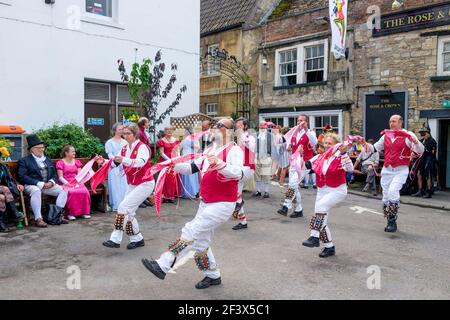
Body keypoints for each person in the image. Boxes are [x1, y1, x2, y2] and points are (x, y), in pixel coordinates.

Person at [141, 118, 244, 289]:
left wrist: (219, 164)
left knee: (191, 230)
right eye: (215, 125)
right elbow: (192, 168)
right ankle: (212, 275)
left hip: (222, 203)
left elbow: (237, 173)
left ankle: (163, 264)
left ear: (231, 131)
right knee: (201, 242)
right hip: (206, 202)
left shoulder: (234, 150)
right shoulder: (211, 148)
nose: (215, 127)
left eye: (220, 126)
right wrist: (174, 165)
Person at [102, 123, 155, 250]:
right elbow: (115, 162)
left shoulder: (143, 147)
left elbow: (140, 163)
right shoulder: (125, 148)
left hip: (145, 183)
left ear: (135, 134)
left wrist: (123, 160)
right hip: (132, 183)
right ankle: (137, 238)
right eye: (124, 133)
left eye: (128, 133)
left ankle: (115, 239)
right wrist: (102, 161)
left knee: (123, 207)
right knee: (129, 212)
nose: (125, 136)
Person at [301, 133, 353, 258]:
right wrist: (300, 154)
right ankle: (329, 247)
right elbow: (306, 165)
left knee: (321, 209)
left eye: (330, 143)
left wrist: (344, 154)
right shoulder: (320, 157)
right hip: (322, 189)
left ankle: (314, 236)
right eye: (326, 143)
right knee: (321, 217)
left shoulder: (340, 156)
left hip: (337, 190)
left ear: (336, 145)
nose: (327, 145)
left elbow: (350, 168)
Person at [374, 115, 424, 233]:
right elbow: (374, 148)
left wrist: (416, 142)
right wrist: (363, 145)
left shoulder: (408, 135)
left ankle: (392, 221)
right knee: (385, 196)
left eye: (394, 121)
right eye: (390, 121)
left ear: (400, 123)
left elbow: (420, 150)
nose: (391, 123)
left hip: (400, 169)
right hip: (387, 169)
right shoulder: (386, 135)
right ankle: (389, 220)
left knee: (393, 191)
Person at [18, 134, 68, 227]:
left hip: (47, 185)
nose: (41, 149)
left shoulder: (47, 159)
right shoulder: (24, 160)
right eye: (38, 148)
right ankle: (38, 218)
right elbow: (22, 176)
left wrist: (52, 182)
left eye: (42, 147)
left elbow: (54, 174)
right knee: (36, 191)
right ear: (32, 149)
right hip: (31, 185)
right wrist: (38, 183)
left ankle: (57, 215)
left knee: (64, 190)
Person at [278, 115, 317, 218]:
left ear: (306, 122)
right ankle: (299, 209)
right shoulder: (294, 133)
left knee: (293, 183)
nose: (299, 122)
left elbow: (314, 143)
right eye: (298, 120)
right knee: (293, 186)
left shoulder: (310, 132)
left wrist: (306, 129)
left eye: (301, 120)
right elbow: (288, 146)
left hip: (304, 164)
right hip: (294, 163)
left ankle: (286, 206)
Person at [232, 117, 256, 230]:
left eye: (239, 125)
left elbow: (251, 148)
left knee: (235, 188)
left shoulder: (250, 137)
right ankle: (243, 220)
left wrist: (242, 137)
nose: (237, 127)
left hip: (247, 168)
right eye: (237, 125)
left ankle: (238, 204)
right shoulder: (238, 138)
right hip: (241, 167)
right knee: (237, 193)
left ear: (245, 126)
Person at [56, 145, 91, 220]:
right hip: (65, 182)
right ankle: (70, 213)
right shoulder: (60, 162)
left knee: (84, 191)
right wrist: (68, 184)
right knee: (71, 192)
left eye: (74, 151)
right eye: (72, 151)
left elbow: (80, 175)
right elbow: (60, 177)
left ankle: (84, 212)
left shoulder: (77, 162)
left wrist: (78, 182)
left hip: (76, 181)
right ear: (66, 153)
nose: (74, 153)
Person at [105, 123, 128, 212]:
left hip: (123, 165)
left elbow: (127, 154)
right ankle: (115, 205)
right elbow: (110, 154)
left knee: (123, 185)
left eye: (122, 129)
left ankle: (124, 204)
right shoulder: (109, 142)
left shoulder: (125, 142)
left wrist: (123, 161)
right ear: (115, 130)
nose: (121, 131)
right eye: (119, 129)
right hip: (113, 166)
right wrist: (116, 160)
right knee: (114, 186)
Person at [157, 127, 182, 203]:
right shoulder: (161, 141)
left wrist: (178, 158)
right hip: (165, 161)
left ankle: (173, 195)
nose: (169, 131)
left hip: (174, 161)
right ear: (164, 132)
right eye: (167, 130)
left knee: (174, 177)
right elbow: (161, 153)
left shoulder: (176, 140)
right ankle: (166, 196)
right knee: (167, 178)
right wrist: (169, 160)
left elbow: (177, 150)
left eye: (171, 130)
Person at [412, 125, 437, 198]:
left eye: (423, 133)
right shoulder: (422, 140)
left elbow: (432, 153)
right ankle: (420, 190)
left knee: (428, 176)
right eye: (421, 134)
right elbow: (416, 146)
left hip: (429, 160)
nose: (422, 135)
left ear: (428, 133)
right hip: (422, 160)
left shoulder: (432, 141)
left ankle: (429, 192)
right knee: (419, 174)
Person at [0, 163, 25, 232]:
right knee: (5, 189)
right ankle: (14, 212)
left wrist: (18, 184)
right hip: (3, 189)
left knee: (2, 197)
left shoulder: (3, 167)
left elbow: (10, 179)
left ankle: (1, 223)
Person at [180, 126, 200, 199]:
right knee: (188, 173)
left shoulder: (192, 138)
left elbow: (197, 147)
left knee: (190, 173)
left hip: (189, 156)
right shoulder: (187, 138)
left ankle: (190, 191)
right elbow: (181, 147)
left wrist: (192, 145)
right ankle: (188, 191)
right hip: (187, 156)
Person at [254, 122, 272, 198]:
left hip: (267, 157)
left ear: (266, 126)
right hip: (257, 156)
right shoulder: (255, 135)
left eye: (263, 125)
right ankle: (258, 191)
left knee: (266, 174)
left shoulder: (270, 136)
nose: (262, 127)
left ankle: (266, 191)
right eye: (260, 125)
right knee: (257, 174)